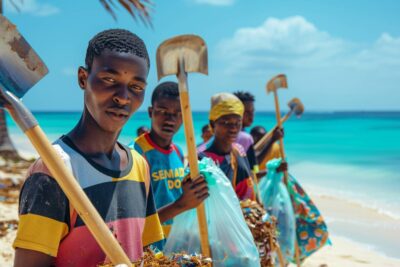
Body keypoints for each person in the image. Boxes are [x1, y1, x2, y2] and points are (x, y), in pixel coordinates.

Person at [13, 29, 164, 267]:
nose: (123, 97)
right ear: (83, 78)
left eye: (136, 86)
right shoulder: (53, 174)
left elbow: (148, 255)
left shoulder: (139, 167)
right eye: (109, 80)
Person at [132, 81, 209, 240]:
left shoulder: (178, 151)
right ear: (150, 112)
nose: (170, 119)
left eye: (177, 113)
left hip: (177, 241)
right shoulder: (136, 153)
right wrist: (181, 204)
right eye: (163, 111)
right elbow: (132, 222)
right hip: (150, 247)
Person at [197, 93, 258, 201]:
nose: (233, 129)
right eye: (226, 122)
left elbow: (247, 187)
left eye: (238, 123)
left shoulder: (238, 151)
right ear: (212, 124)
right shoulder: (201, 159)